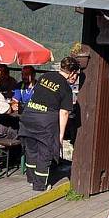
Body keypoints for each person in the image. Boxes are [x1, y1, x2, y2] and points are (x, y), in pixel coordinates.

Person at [19, 57, 80, 191]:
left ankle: (31, 179)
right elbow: (64, 113)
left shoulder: (45, 76)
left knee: (31, 150)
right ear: (72, 73)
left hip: (28, 116)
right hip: (45, 121)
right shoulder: (66, 88)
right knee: (45, 153)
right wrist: (60, 135)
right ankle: (39, 185)